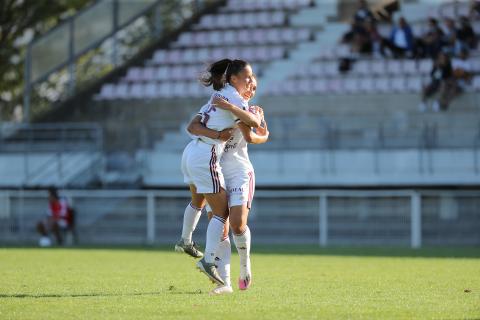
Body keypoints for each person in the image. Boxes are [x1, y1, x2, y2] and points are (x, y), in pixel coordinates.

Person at [178, 58, 261, 286]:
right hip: (210, 160)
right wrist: (219, 134)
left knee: (223, 215)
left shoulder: (222, 99)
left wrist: (232, 112)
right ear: (234, 79)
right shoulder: (233, 99)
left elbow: (254, 135)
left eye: (253, 81)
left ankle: (189, 242)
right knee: (221, 215)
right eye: (248, 79)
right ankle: (216, 271)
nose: (251, 83)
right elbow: (251, 125)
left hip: (211, 160)